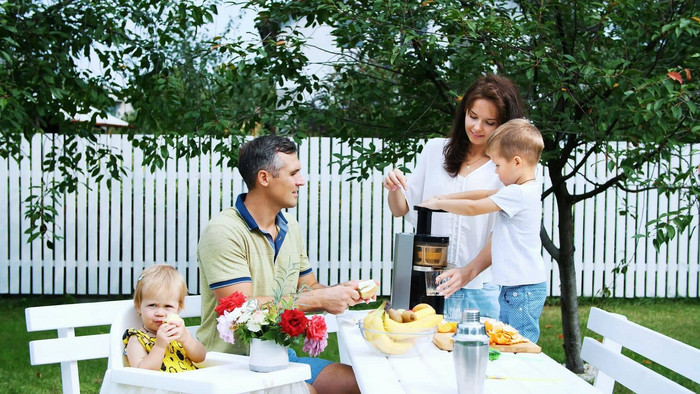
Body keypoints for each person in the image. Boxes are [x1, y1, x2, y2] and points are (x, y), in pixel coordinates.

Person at [197, 135, 362, 394]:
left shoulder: (289, 226)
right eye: (293, 173)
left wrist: (343, 291)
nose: (301, 181)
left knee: (363, 384)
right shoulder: (223, 231)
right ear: (264, 178)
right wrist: (320, 299)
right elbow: (242, 309)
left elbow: (310, 288)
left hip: (279, 358)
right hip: (230, 364)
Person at [383, 74, 526, 319]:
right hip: (431, 284)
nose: (477, 127)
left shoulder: (508, 167)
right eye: (472, 116)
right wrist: (394, 186)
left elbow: (501, 234)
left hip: (480, 289)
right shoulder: (435, 150)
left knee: (481, 355)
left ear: (504, 125)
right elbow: (401, 209)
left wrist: (467, 273)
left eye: (489, 122)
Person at [420, 118, 547, 343]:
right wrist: (445, 197)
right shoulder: (523, 189)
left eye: (497, 165)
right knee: (508, 341)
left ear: (517, 162)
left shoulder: (518, 193)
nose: (496, 172)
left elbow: (473, 208)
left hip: (522, 291)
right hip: (517, 287)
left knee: (520, 346)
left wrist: (442, 205)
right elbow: (483, 194)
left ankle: (520, 377)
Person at [124, 264, 207, 372]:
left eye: (168, 306)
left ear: (179, 308)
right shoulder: (137, 339)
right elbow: (142, 373)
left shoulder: (177, 333)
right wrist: (160, 346)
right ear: (139, 306)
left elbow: (200, 357)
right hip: (159, 388)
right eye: (152, 305)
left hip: (188, 385)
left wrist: (186, 339)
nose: (160, 313)